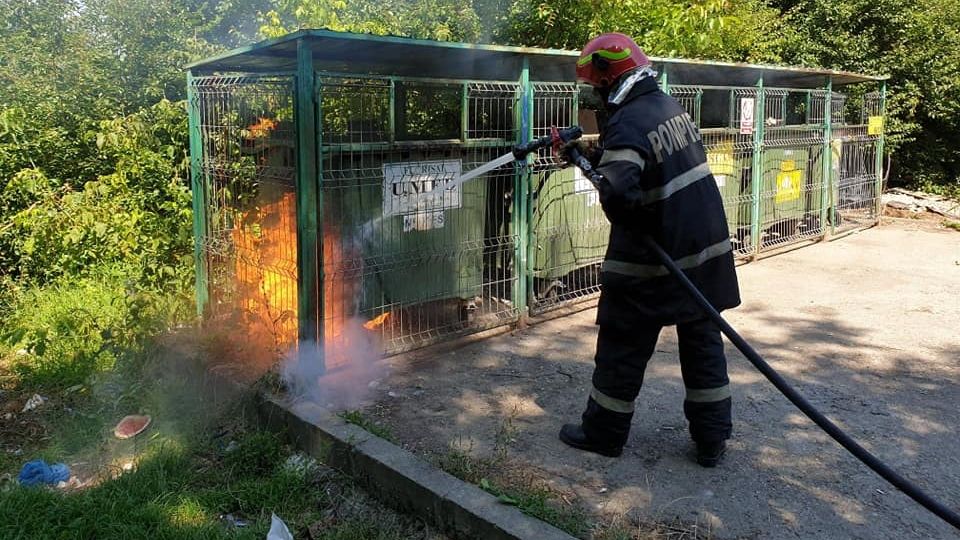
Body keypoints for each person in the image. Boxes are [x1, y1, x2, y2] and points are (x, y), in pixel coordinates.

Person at [558, 33, 741, 467]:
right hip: (705, 250)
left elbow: (618, 194)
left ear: (609, 77)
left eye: (593, 87)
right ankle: (712, 440)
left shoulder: (628, 121)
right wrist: (591, 156)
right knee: (702, 344)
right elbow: (642, 166)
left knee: (622, 340)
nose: (592, 97)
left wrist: (583, 164)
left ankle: (603, 433)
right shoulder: (666, 107)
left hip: (656, 258)